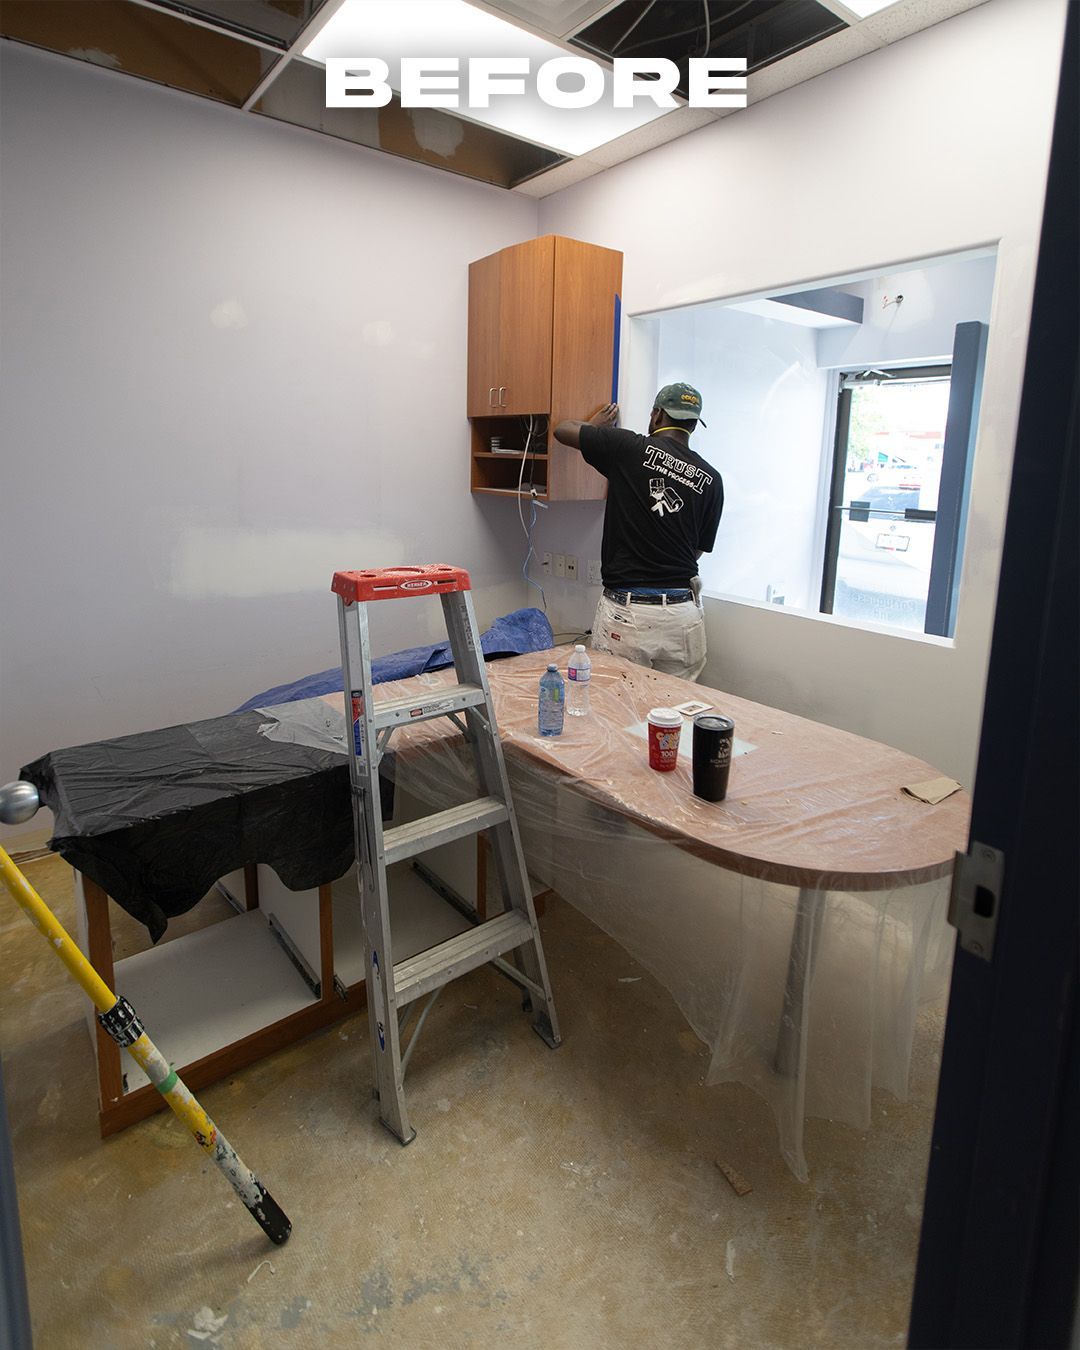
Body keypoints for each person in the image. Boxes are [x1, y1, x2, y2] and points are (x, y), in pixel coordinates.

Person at [553, 383, 723, 682]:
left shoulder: (628, 447)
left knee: (618, 705)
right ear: (694, 425)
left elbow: (562, 430)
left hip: (630, 614)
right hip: (683, 616)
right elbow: (696, 550)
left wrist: (596, 426)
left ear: (657, 415)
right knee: (677, 707)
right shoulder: (712, 479)